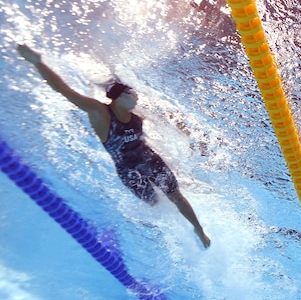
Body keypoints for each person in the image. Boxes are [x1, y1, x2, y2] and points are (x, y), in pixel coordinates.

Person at [16, 44, 211, 249]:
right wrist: (38, 63)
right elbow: (64, 90)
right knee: (155, 205)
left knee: (176, 195)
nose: (136, 97)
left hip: (150, 160)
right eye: (131, 93)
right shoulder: (100, 112)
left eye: (136, 94)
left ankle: (198, 230)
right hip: (129, 172)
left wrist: (191, 137)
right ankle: (178, 236)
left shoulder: (137, 115)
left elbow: (169, 121)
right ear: (117, 97)